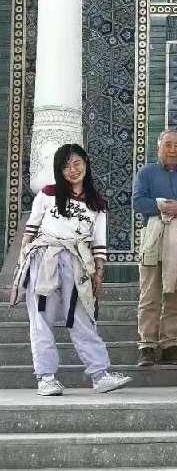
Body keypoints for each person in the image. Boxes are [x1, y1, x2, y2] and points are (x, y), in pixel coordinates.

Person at [10, 144, 132, 395]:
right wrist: (22, 264)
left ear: (86, 163)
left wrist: (98, 274)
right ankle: (46, 377)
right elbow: (30, 231)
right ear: (59, 170)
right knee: (41, 319)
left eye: (77, 163)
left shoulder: (97, 204)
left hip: (78, 263)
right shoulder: (48, 193)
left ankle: (100, 374)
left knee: (82, 318)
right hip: (44, 259)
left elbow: (99, 243)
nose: (72, 170)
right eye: (66, 166)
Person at [132, 129, 177, 367]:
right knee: (150, 293)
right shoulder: (146, 172)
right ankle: (147, 345)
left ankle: (170, 344)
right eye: (168, 145)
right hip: (152, 238)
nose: (172, 150)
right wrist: (163, 207)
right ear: (158, 147)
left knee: (175, 293)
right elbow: (138, 202)